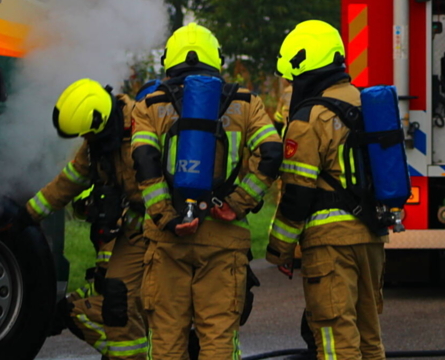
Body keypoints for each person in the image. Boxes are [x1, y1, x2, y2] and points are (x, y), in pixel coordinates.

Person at [131, 23, 282, 360]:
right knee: (218, 339)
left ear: (169, 62)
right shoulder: (245, 103)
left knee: (167, 341)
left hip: (167, 240)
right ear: (217, 61)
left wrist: (168, 219)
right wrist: (237, 203)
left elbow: (144, 162)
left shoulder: (150, 105)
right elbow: (271, 154)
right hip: (223, 236)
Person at [266, 20, 388, 360]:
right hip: (373, 236)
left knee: (337, 341)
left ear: (304, 65)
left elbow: (296, 193)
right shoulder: (369, 104)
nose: (290, 82)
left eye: (291, 75)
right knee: (369, 338)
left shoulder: (309, 116)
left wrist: (280, 250)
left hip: (330, 243)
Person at [23, 79, 149, 359]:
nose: (86, 142)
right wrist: (27, 215)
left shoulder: (146, 124)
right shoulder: (99, 140)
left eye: (88, 135)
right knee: (117, 299)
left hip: (165, 228)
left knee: (157, 304)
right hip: (135, 231)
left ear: (100, 121)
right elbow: (70, 180)